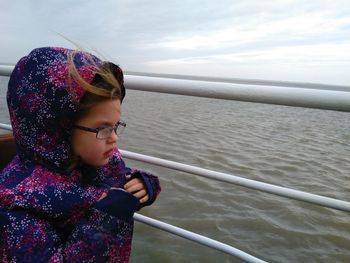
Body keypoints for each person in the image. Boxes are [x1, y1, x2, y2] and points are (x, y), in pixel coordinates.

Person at [0, 47, 161, 262]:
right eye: (103, 128)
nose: (114, 138)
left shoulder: (90, 162)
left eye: (115, 126)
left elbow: (119, 183)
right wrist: (105, 221)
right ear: (57, 130)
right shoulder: (18, 208)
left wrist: (144, 185)